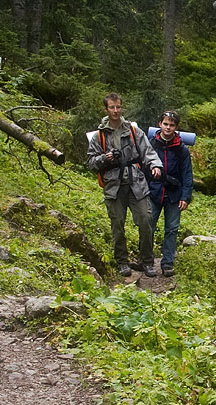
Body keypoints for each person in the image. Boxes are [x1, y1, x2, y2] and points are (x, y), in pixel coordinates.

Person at [87, 93, 163, 277]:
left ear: (122, 107)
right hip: (113, 186)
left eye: (118, 107)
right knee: (117, 224)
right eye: (112, 107)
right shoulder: (98, 136)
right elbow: (90, 163)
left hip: (136, 182)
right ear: (106, 109)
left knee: (146, 221)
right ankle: (122, 261)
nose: (115, 111)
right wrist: (105, 158)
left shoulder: (133, 130)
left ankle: (147, 261)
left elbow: (148, 151)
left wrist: (155, 165)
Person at [147, 110, 193, 277]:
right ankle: (146, 261)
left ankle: (167, 263)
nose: (168, 127)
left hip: (174, 194)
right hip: (154, 192)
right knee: (148, 226)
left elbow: (187, 174)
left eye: (171, 125)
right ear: (160, 124)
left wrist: (185, 196)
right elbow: (143, 168)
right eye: (165, 124)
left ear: (176, 127)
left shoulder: (182, 149)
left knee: (172, 229)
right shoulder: (151, 144)